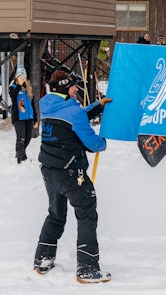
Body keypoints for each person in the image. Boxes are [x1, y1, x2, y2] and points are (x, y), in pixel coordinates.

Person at [34, 68, 112, 283]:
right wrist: (102, 143)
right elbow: (92, 143)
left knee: (56, 214)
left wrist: (98, 106)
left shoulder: (48, 104)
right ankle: (87, 268)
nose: (77, 89)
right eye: (73, 86)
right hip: (70, 171)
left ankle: (43, 259)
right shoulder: (73, 112)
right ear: (65, 88)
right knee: (87, 212)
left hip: (49, 169)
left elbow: (70, 117)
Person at [9, 66, 37, 163]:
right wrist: (18, 85)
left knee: (28, 138)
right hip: (19, 117)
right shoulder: (13, 88)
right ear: (17, 77)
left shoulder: (28, 89)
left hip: (28, 117)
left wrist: (35, 118)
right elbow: (13, 96)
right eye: (20, 77)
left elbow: (32, 104)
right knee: (21, 137)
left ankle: (20, 153)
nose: (22, 79)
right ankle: (21, 158)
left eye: (24, 77)